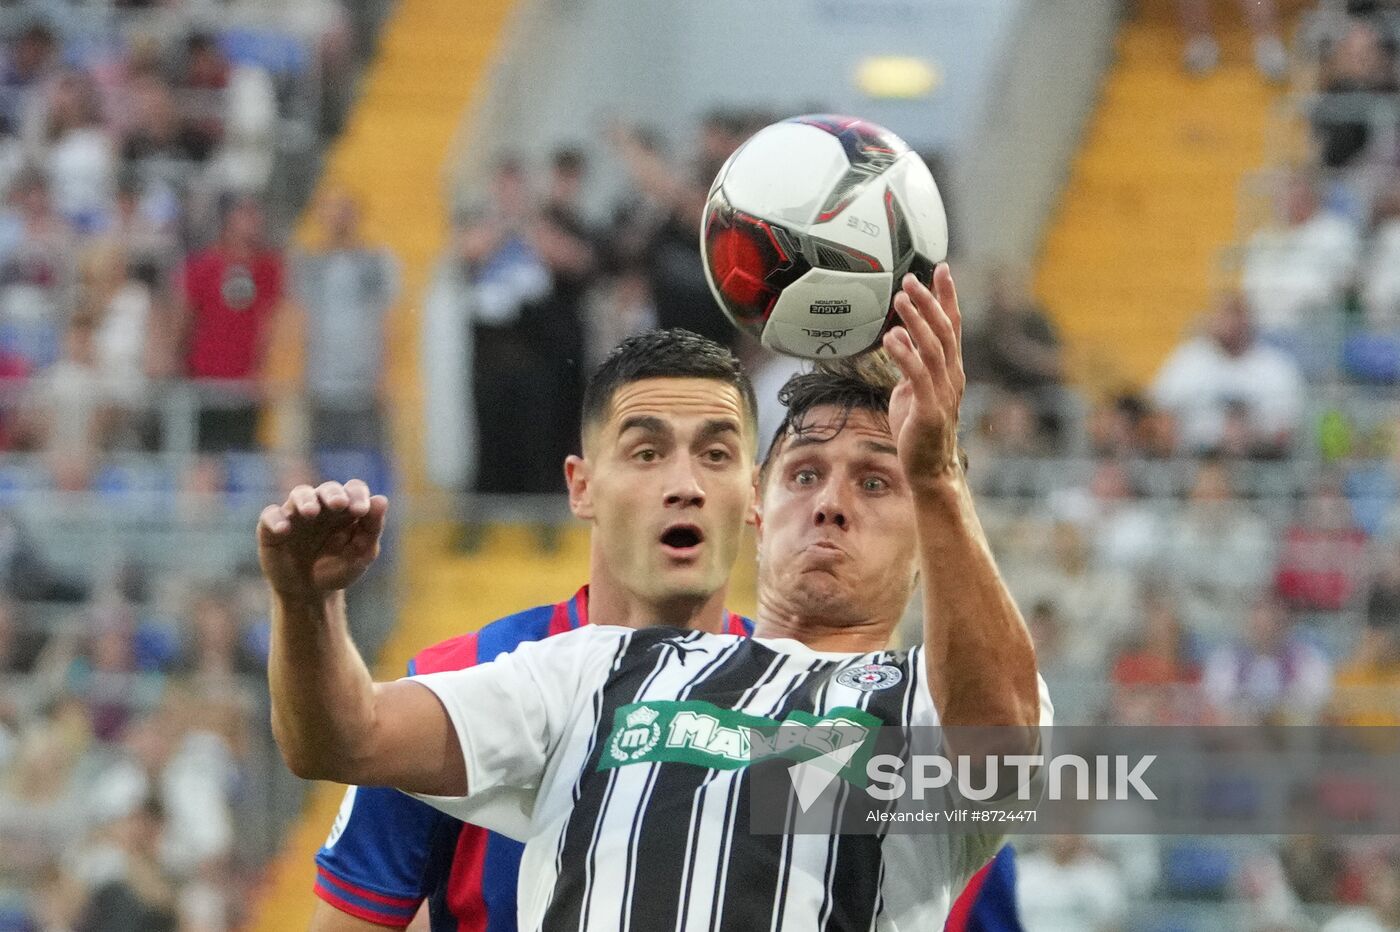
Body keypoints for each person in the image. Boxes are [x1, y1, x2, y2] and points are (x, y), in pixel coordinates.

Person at [263, 269, 1048, 928]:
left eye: (878, 481)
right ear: (756, 504)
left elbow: (999, 749)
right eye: (804, 473)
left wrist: (938, 476)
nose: (831, 504)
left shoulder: (911, 716)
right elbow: (341, 739)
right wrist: (304, 606)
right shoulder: (592, 667)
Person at [309, 328, 760, 929]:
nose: (685, 487)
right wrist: (305, 601)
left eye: (716, 455)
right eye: (647, 453)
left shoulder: (812, 703)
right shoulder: (458, 685)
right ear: (581, 487)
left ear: (755, 493)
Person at [292, 190, 398, 453]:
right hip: (321, 384)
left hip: (365, 386)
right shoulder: (308, 264)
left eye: (343, 209)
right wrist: (301, 376)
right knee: (320, 468)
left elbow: (389, 321)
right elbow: (299, 322)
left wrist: (384, 376)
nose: (336, 218)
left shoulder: (376, 262)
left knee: (366, 466)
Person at [179, 195, 284, 451]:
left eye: (255, 215)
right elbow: (185, 318)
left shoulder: (270, 268)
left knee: (245, 456)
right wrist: (182, 366)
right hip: (206, 380)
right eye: (245, 215)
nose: (253, 222)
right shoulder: (203, 266)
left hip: (249, 385)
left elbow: (274, 321)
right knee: (206, 455)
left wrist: (266, 369)